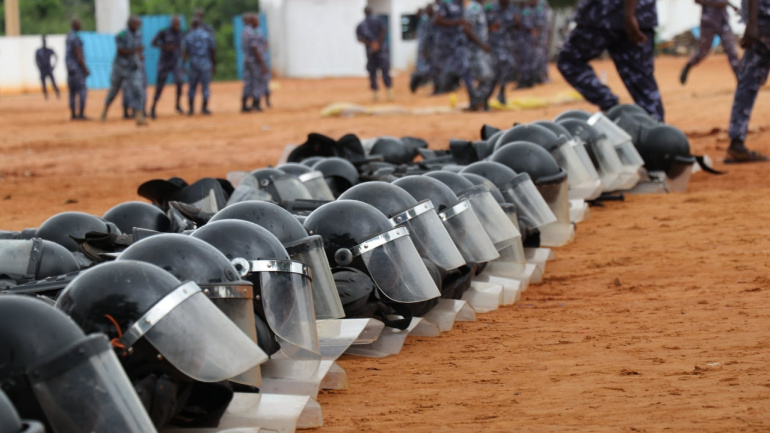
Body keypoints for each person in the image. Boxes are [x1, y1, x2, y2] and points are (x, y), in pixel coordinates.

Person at [556, 0, 664, 121]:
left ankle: (613, 107)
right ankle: (655, 125)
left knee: (569, 61)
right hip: (637, 16)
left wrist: (629, 15)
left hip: (604, 15)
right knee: (642, 81)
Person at [725, 0, 770, 162]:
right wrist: (752, 22)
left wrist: (752, 22)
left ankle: (737, 142)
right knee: (749, 79)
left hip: (760, 19)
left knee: (749, 79)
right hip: (763, 18)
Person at [435, 0, 490, 110]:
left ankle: (475, 100)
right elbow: (437, 20)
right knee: (471, 73)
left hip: (465, 45)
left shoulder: (466, 6)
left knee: (469, 73)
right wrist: (457, 22)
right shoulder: (448, 3)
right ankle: (475, 99)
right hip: (454, 45)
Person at [100, 15, 147, 125]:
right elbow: (120, 51)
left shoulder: (139, 34)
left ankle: (139, 116)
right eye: (136, 24)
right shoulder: (121, 34)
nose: (138, 26)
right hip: (120, 67)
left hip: (133, 67)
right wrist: (136, 50)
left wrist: (139, 54)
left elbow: (138, 48)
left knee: (138, 89)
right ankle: (105, 110)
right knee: (114, 90)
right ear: (130, 24)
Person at [680, 0, 741, 84]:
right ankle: (688, 66)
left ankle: (741, 79)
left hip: (723, 22)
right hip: (708, 23)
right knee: (703, 52)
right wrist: (717, 3)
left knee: (731, 51)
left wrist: (730, 5)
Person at [150, 15, 185, 118]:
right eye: (175, 24)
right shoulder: (164, 31)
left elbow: (182, 45)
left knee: (179, 81)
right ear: (171, 23)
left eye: (178, 24)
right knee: (160, 85)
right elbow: (153, 43)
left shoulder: (181, 32)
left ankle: (177, 105)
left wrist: (182, 57)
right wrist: (165, 47)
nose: (177, 25)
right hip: (164, 62)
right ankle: (153, 108)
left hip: (175, 62)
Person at [357, 7, 393, 101]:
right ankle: (389, 93)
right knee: (384, 71)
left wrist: (371, 44)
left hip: (371, 51)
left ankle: (375, 94)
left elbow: (359, 38)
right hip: (381, 50)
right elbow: (384, 30)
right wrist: (378, 43)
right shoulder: (378, 21)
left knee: (372, 72)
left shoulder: (362, 24)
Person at [183, 18, 217, 115]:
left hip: (193, 64)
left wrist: (183, 64)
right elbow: (213, 50)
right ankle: (204, 108)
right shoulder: (207, 35)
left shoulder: (188, 36)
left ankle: (191, 109)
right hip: (205, 64)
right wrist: (214, 64)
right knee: (205, 86)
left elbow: (185, 51)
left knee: (192, 86)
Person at [465, 0, 495, 110]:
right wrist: (481, 45)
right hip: (476, 50)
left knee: (486, 77)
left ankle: (477, 102)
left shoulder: (479, 7)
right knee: (487, 77)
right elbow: (466, 28)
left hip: (480, 50)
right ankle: (477, 102)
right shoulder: (474, 8)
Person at [486, 0, 517, 103]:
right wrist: (490, 28)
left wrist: (517, 21)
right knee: (494, 71)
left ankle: (502, 91)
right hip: (494, 44)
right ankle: (486, 98)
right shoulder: (491, 8)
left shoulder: (513, 9)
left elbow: (517, 27)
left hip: (507, 44)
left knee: (509, 66)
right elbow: (483, 26)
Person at [241, 13, 269, 112]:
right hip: (255, 61)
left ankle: (244, 105)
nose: (258, 22)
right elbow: (255, 48)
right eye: (256, 20)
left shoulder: (245, 31)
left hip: (248, 60)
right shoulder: (252, 32)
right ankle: (256, 104)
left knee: (249, 82)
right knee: (257, 81)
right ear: (251, 21)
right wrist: (262, 63)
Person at [65, 19, 90, 120]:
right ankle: (81, 114)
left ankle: (73, 114)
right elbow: (78, 53)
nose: (81, 26)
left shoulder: (68, 36)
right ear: (75, 26)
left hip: (70, 69)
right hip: (77, 69)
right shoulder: (76, 37)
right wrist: (85, 68)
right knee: (82, 91)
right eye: (79, 24)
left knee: (72, 92)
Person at [35, 35, 60, 100]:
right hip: (42, 69)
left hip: (49, 68)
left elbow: (56, 56)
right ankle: (46, 95)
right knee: (43, 83)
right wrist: (39, 67)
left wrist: (53, 66)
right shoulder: (39, 51)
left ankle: (57, 93)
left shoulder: (49, 50)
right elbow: (36, 60)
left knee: (53, 82)